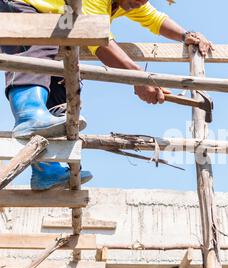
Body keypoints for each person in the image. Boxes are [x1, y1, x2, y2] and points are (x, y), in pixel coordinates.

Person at [0, 0, 214, 190]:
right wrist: (140, 78)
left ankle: (46, 168)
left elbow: (155, 19)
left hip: (57, 24)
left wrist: (186, 35)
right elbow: (98, 41)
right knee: (40, 44)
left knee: (63, 81)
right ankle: (29, 114)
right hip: (23, 7)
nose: (141, 2)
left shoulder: (128, 2)